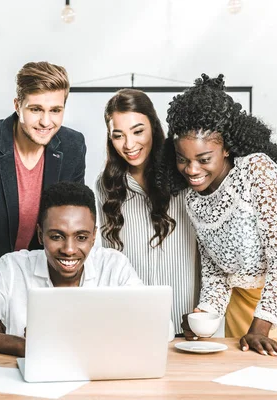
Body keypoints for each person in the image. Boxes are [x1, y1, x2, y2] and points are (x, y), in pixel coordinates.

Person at [162, 73, 277, 356]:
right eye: (182, 159)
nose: (191, 170)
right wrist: (206, 313)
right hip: (241, 301)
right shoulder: (192, 198)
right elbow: (215, 270)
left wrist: (261, 327)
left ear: (226, 148)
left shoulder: (257, 171)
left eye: (203, 159)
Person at [0, 61, 87, 313]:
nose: (46, 121)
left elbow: (71, 222)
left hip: (39, 287)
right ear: (17, 106)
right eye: (36, 109)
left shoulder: (73, 145)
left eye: (55, 110)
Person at [0, 182, 142, 356]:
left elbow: (161, 327)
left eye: (81, 237)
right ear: (40, 235)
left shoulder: (114, 266)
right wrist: (21, 345)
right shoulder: (13, 268)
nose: (69, 250)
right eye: (57, 236)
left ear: (93, 236)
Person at [95, 89, 198, 337]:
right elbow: (109, 260)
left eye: (138, 131)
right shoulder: (105, 186)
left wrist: (204, 311)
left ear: (153, 125)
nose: (129, 145)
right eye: (118, 135)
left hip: (189, 322)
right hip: (132, 324)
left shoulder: (186, 174)